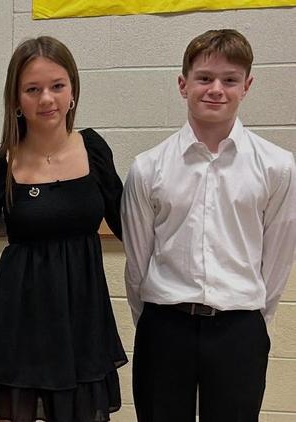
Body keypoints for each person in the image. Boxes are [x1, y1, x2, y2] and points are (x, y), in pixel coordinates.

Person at [122, 29, 296, 421]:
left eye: (229, 79)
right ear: (183, 84)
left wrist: (253, 322)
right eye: (204, 78)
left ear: (246, 86)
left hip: (239, 330)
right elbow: (137, 264)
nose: (216, 89)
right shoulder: (148, 168)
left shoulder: (277, 167)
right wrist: (153, 321)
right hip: (165, 328)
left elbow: (278, 259)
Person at [0, 36, 127, 422]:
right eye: (32, 89)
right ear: (16, 99)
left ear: (73, 90)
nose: (47, 99)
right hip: (18, 320)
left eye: (57, 86)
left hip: (82, 318)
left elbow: (130, 227)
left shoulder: (94, 149)